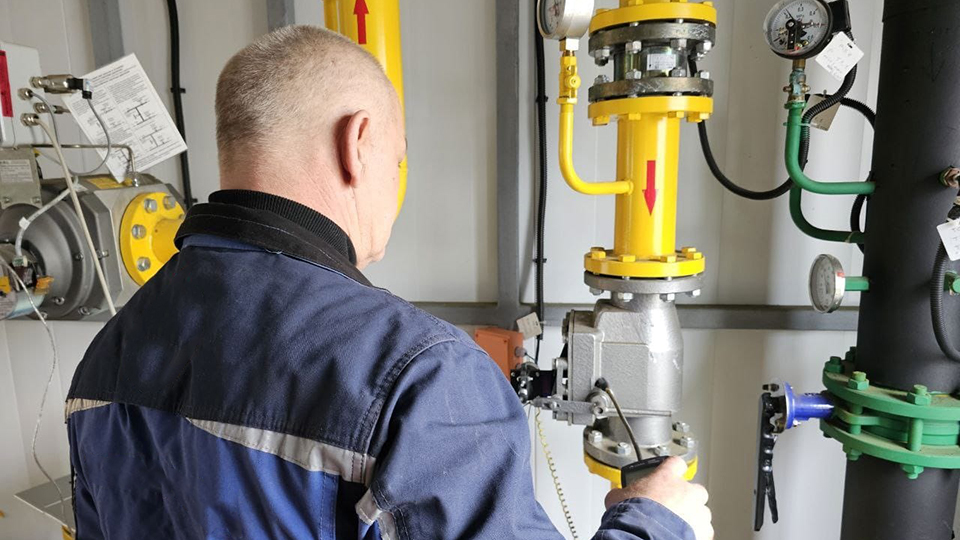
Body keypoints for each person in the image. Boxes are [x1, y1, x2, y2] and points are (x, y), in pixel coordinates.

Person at [66, 25, 713, 540]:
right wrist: (658, 522)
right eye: (397, 162)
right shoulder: (422, 376)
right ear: (358, 143)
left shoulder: (105, 358)